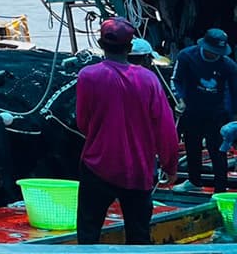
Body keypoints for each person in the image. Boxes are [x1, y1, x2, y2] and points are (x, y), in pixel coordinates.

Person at [75, 18, 179, 245]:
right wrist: (170, 165)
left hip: (97, 165)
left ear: (101, 44)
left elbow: (82, 122)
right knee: (139, 235)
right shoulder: (149, 79)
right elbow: (166, 129)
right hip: (139, 169)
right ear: (130, 48)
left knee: (88, 231)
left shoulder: (88, 76)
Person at [172, 28, 237, 193]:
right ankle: (194, 181)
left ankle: (220, 188)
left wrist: (232, 117)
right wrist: (179, 100)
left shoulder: (228, 65)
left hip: (217, 112)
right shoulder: (186, 56)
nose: (215, 55)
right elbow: (176, 80)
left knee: (218, 149)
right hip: (192, 109)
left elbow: (234, 92)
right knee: (192, 146)